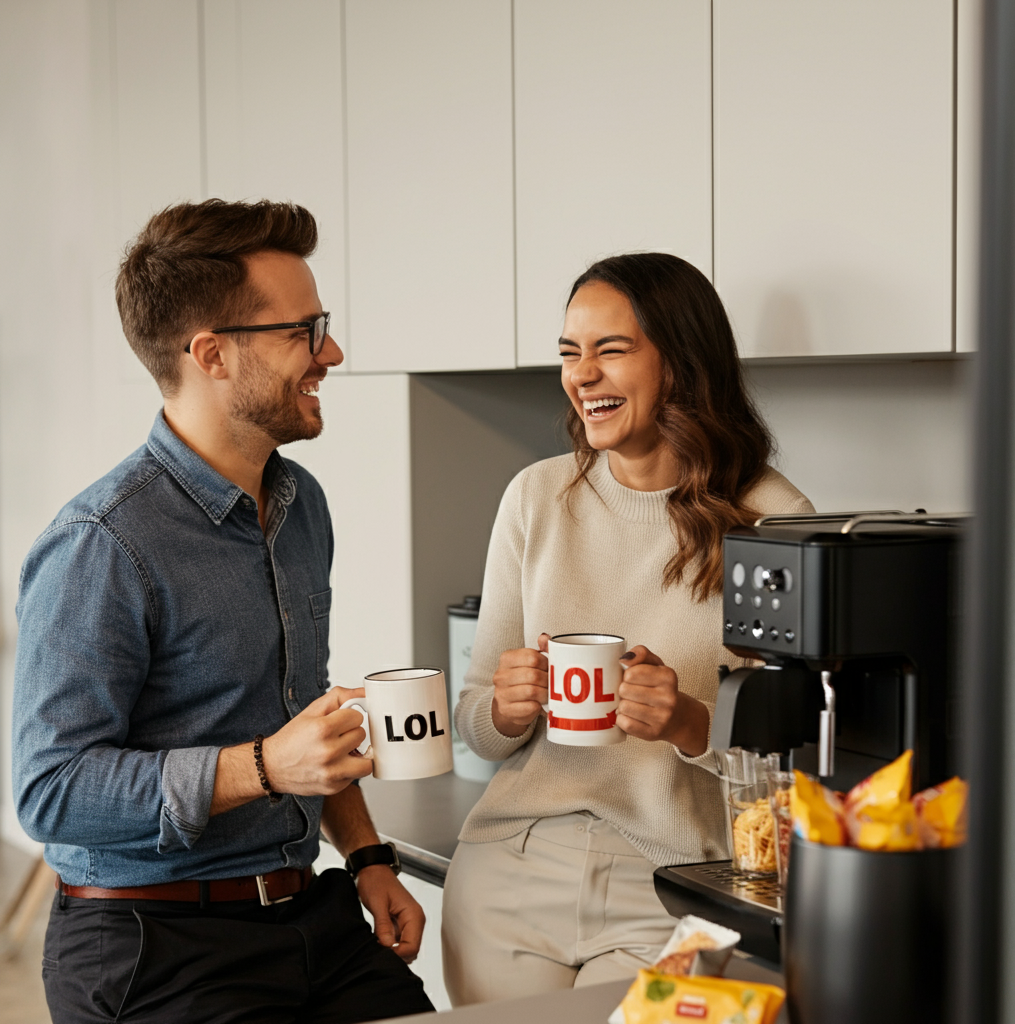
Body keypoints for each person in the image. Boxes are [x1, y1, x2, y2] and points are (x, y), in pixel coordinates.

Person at [12, 199, 435, 1023]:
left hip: (307, 914)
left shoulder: (298, 503)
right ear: (210, 353)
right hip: (149, 941)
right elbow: (50, 790)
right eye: (304, 332)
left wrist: (369, 857)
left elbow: (302, 722)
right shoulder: (101, 543)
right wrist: (265, 768)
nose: (332, 352)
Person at [441, 253, 814, 1004]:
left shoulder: (776, 521)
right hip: (512, 866)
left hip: (677, 883)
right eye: (570, 354)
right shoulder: (536, 497)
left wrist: (688, 722)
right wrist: (502, 708)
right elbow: (476, 729)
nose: (582, 375)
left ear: (680, 363)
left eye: (610, 350)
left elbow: (797, 764)